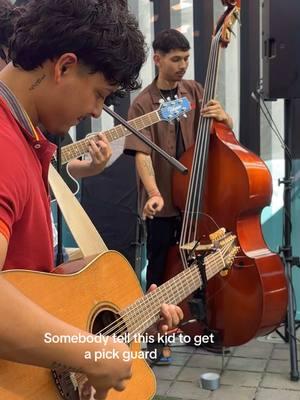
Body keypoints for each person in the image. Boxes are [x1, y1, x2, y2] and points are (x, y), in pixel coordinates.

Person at [0, 2, 183, 399]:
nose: (96, 110)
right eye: (99, 94)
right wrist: (92, 354)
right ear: (64, 67)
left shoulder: (27, 139)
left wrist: (119, 324)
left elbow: (28, 280)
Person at [124, 28, 233, 364]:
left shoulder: (195, 92)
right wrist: (154, 193)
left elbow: (221, 137)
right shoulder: (143, 103)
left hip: (198, 202)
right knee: (158, 272)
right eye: (175, 59)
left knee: (201, 268)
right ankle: (155, 340)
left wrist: (225, 119)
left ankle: (201, 327)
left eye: (186, 58)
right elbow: (142, 154)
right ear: (157, 59)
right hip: (166, 203)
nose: (183, 65)